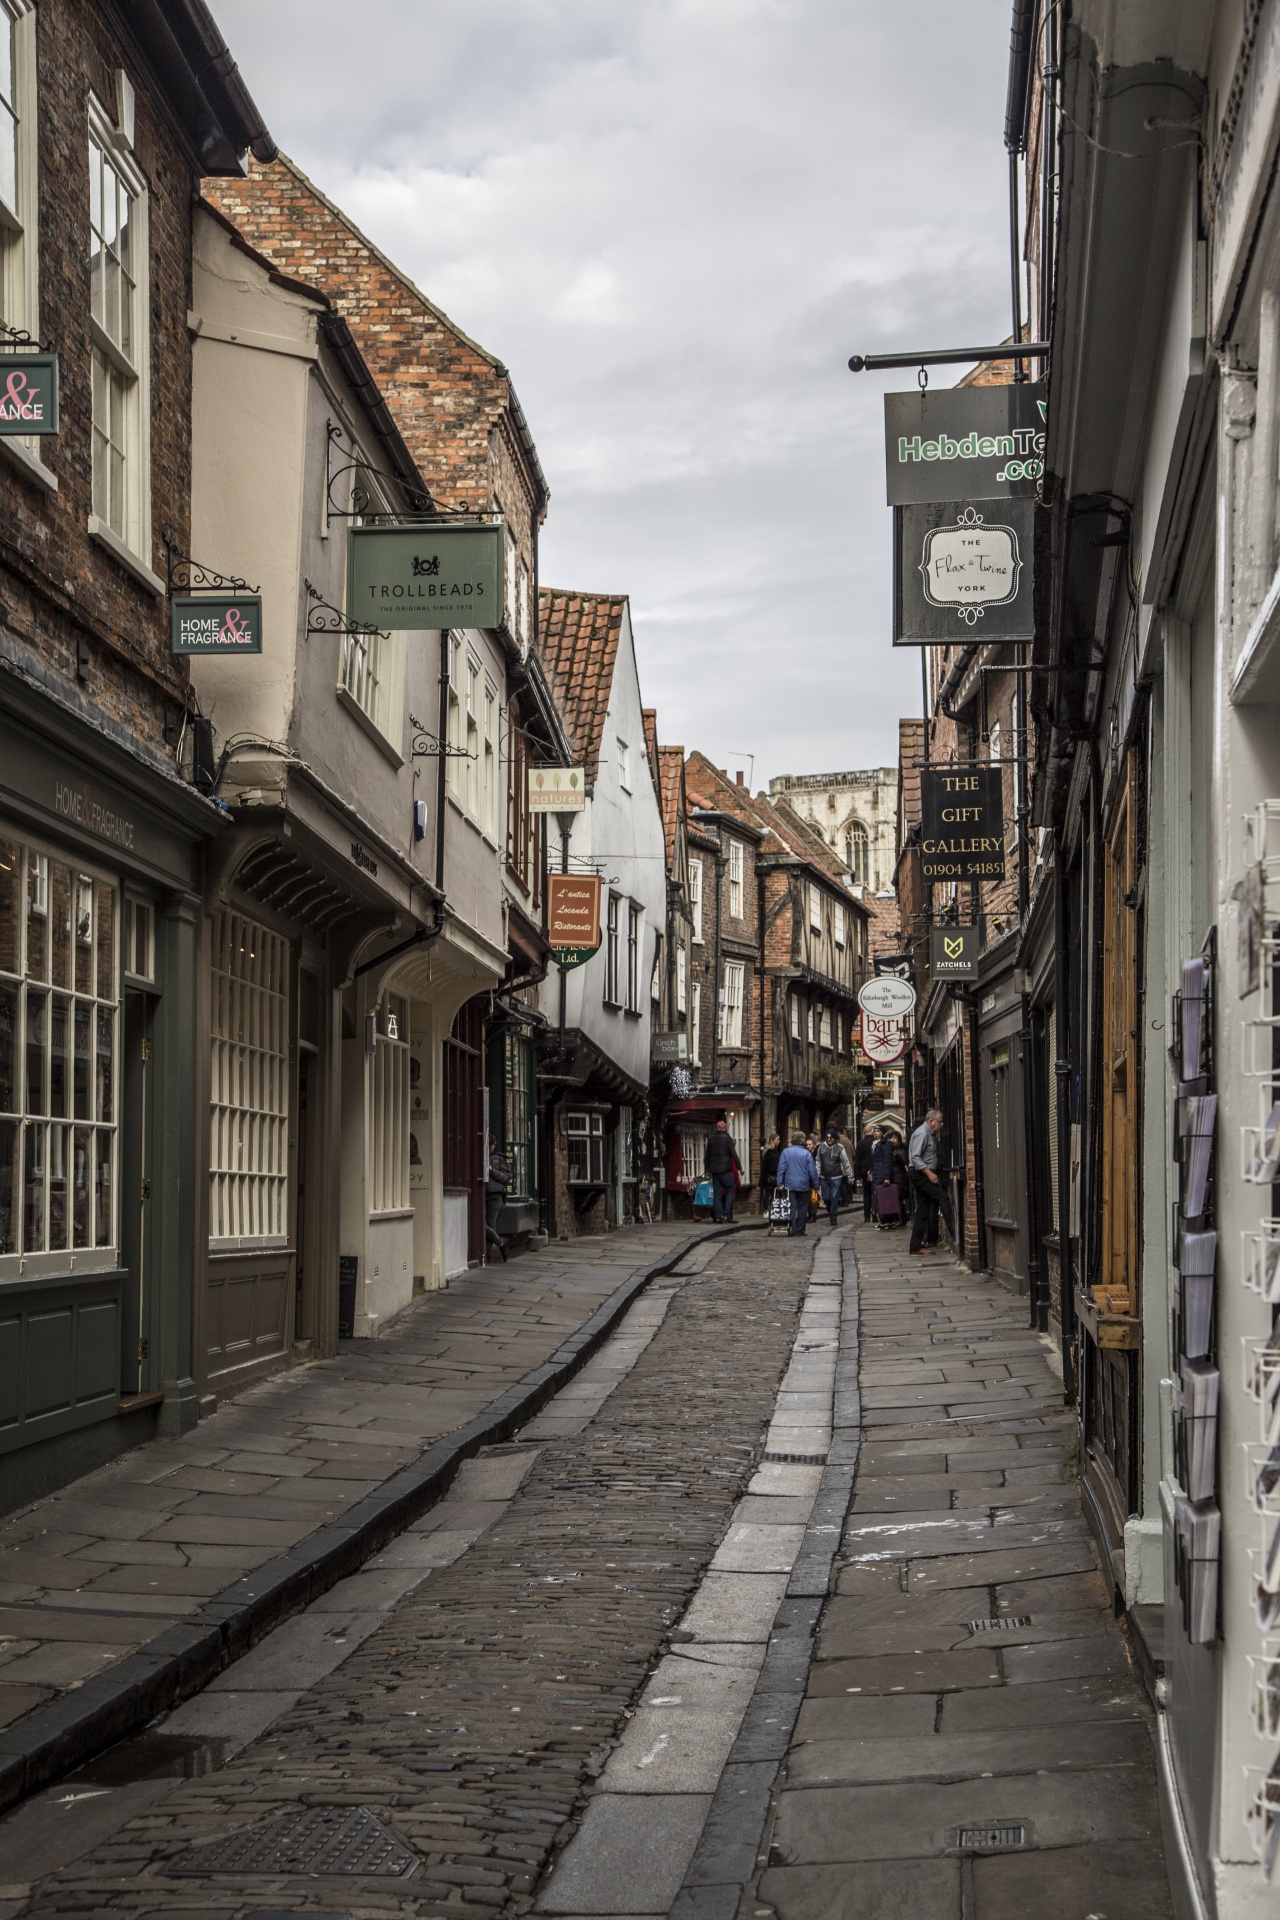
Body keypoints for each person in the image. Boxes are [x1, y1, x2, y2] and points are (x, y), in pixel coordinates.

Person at [908, 1109, 955, 1255]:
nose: (941, 1124)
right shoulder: (923, 1133)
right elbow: (915, 1158)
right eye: (939, 1121)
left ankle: (915, 1247)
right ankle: (956, 1235)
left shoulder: (929, 1133)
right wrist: (929, 1174)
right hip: (920, 1174)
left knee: (923, 1210)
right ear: (931, 1121)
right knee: (942, 1197)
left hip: (922, 1174)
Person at [776, 1131, 818, 1236]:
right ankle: (800, 1229)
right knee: (803, 1207)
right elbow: (812, 1171)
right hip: (803, 1184)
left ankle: (792, 1228)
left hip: (789, 1184)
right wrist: (816, 1185)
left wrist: (780, 1183)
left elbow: (781, 1169)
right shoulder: (807, 1153)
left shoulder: (786, 1152)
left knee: (791, 1206)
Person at [703, 1119, 741, 1222]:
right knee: (730, 1189)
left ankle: (718, 1216)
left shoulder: (711, 1139)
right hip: (726, 1171)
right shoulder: (727, 1139)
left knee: (717, 1194)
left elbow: (707, 1156)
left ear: (716, 1128)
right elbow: (734, 1154)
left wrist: (707, 1169)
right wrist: (740, 1168)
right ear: (725, 1128)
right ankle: (727, 1215)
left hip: (715, 1171)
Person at [815, 1126, 854, 1227]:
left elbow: (846, 1162)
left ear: (835, 1138)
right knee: (826, 1197)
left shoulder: (840, 1148)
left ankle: (833, 1218)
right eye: (827, 1138)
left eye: (831, 1138)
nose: (829, 1140)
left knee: (834, 1197)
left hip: (836, 1177)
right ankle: (830, 1209)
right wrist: (817, 1174)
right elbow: (818, 1161)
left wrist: (850, 1176)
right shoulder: (821, 1147)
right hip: (824, 1176)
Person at [485, 1132, 510, 1263]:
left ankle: (487, 1255)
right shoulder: (481, 1156)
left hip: (495, 1195)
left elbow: (506, 1177)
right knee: (482, 1224)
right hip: (482, 1194)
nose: (489, 1149)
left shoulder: (500, 1159)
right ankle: (501, 1243)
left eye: (490, 1146)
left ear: (494, 1145)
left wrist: (491, 1171)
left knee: (490, 1225)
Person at [870, 1125, 897, 1228]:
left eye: (877, 1131)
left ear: (883, 1133)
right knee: (880, 1198)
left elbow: (887, 1161)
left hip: (882, 1175)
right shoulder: (876, 1144)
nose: (875, 1133)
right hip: (877, 1174)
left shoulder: (886, 1145)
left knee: (884, 1199)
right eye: (874, 1131)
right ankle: (884, 1220)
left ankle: (887, 1221)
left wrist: (887, 1177)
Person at [853, 1126, 877, 1222]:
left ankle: (866, 1216)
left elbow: (857, 1160)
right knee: (875, 1193)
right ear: (872, 1132)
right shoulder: (876, 1142)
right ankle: (875, 1214)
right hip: (875, 1171)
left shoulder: (860, 1143)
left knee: (866, 1195)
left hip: (864, 1172)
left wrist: (857, 1176)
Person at [760, 1131, 781, 1214]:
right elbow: (768, 1165)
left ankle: (771, 1209)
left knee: (773, 1193)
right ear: (773, 1140)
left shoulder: (775, 1151)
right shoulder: (769, 1151)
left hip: (772, 1175)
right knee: (768, 1193)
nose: (779, 1141)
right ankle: (766, 1210)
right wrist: (775, 1170)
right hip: (769, 1176)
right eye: (777, 1139)